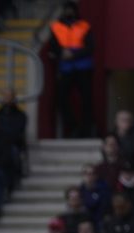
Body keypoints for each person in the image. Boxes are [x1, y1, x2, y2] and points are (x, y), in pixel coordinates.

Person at [48, 1, 94, 138]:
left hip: (83, 67)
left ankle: (87, 130)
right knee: (61, 98)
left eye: (71, 10)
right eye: (66, 9)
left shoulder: (85, 26)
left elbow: (91, 46)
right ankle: (73, 127)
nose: (69, 12)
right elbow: (52, 46)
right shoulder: (55, 26)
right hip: (65, 67)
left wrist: (74, 54)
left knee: (86, 100)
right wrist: (61, 53)